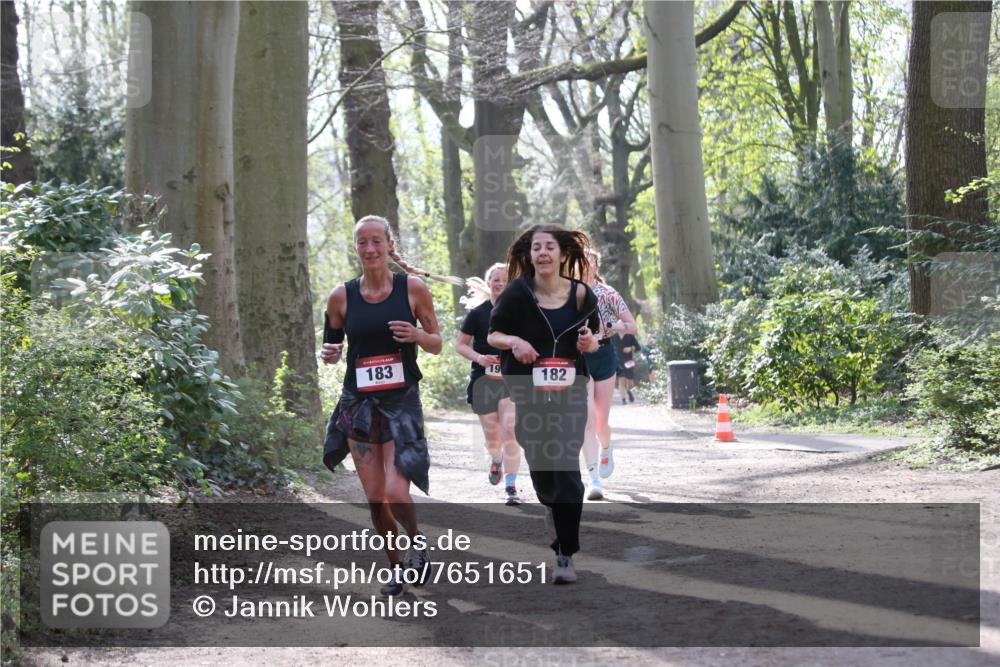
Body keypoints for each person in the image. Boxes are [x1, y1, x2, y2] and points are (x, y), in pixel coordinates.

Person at [320, 214, 459, 596]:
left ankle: (416, 543)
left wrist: (416, 334)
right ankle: (396, 566)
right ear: (355, 248)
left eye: (377, 241)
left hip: (401, 401)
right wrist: (329, 354)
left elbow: (436, 343)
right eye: (362, 242)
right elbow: (331, 347)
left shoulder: (412, 289)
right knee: (376, 498)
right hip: (359, 404)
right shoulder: (340, 296)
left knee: (398, 491)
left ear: (390, 245)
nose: (370, 249)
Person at [487, 224, 600, 585]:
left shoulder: (582, 295)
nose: (543, 253)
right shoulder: (518, 293)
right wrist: (516, 342)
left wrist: (589, 343)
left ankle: (565, 552)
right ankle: (552, 507)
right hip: (529, 391)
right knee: (542, 467)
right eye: (537, 248)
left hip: (569, 391)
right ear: (530, 254)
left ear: (563, 254)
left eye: (550, 247)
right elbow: (493, 334)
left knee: (566, 466)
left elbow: (596, 337)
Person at [455, 263, 522, 505]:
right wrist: (480, 358)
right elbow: (460, 345)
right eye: (495, 279)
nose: (499, 283)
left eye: (504, 279)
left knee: (510, 430)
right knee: (493, 436)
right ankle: (496, 459)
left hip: (511, 379)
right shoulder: (477, 314)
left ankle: (511, 485)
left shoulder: (518, 313)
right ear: (488, 282)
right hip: (483, 380)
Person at [580, 248, 638, 496]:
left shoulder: (608, 293)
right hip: (578, 356)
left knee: (601, 421)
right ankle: (593, 479)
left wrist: (613, 325)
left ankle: (606, 448)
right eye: (578, 262)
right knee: (587, 419)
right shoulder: (567, 293)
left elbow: (632, 327)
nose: (583, 265)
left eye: (588, 262)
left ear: (596, 266)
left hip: (603, 355)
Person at [616, 331, 641, 404]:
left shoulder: (630, 336)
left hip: (629, 362)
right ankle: (623, 399)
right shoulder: (614, 337)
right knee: (622, 381)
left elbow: (638, 347)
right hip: (619, 363)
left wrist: (631, 348)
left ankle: (629, 390)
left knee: (630, 383)